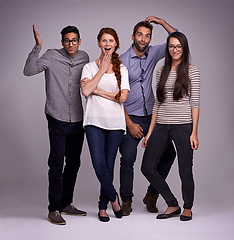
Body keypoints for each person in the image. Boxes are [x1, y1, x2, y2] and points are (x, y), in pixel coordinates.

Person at [23, 25, 89, 225]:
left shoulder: (84, 57)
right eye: (67, 40)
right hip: (57, 117)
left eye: (74, 40)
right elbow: (28, 71)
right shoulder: (51, 55)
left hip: (77, 118)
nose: (71, 43)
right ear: (62, 42)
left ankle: (66, 203)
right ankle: (54, 209)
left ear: (79, 41)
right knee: (56, 164)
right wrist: (37, 46)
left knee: (74, 163)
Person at [119, 16, 177, 216]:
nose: (143, 39)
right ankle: (126, 199)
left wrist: (161, 22)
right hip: (130, 118)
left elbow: (176, 37)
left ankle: (152, 195)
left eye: (147, 36)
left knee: (169, 154)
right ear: (133, 36)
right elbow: (117, 98)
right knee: (128, 158)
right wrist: (130, 124)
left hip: (152, 116)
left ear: (150, 39)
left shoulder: (152, 53)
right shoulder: (122, 61)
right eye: (140, 35)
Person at [141, 32, 200, 221]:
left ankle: (187, 207)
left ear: (184, 49)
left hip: (183, 126)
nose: (175, 50)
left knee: (185, 171)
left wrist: (194, 133)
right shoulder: (161, 70)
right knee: (147, 167)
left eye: (179, 46)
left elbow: (195, 103)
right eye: (171, 46)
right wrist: (149, 132)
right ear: (168, 48)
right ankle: (172, 204)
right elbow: (157, 103)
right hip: (160, 126)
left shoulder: (192, 71)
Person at [81, 27, 130, 222]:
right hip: (93, 121)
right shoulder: (89, 67)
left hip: (116, 124)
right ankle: (114, 199)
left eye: (111, 41)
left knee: (109, 165)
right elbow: (85, 92)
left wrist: (97, 90)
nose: (107, 44)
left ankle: (102, 207)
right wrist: (101, 70)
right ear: (99, 43)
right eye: (104, 41)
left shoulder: (122, 69)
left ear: (116, 43)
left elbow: (123, 97)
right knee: (98, 163)